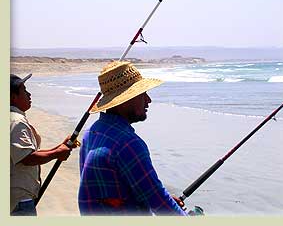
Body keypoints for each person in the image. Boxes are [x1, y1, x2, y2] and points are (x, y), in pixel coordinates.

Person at [78, 61, 187, 216]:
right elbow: (158, 201)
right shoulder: (127, 144)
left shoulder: (92, 132)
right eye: (142, 94)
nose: (148, 100)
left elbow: (113, 192)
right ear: (124, 101)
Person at [10, 73, 73, 216]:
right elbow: (27, 158)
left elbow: (25, 153)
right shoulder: (16, 121)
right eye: (24, 90)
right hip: (20, 201)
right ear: (13, 97)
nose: (29, 94)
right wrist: (56, 153)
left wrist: (59, 147)